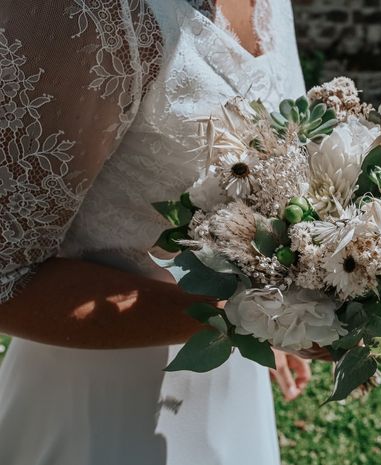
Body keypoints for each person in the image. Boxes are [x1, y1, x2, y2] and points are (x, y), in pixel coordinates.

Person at [0, 1, 311, 463]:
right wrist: (257, 319)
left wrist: (296, 301)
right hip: (100, 411)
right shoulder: (84, 12)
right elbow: (7, 279)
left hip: (234, 392)